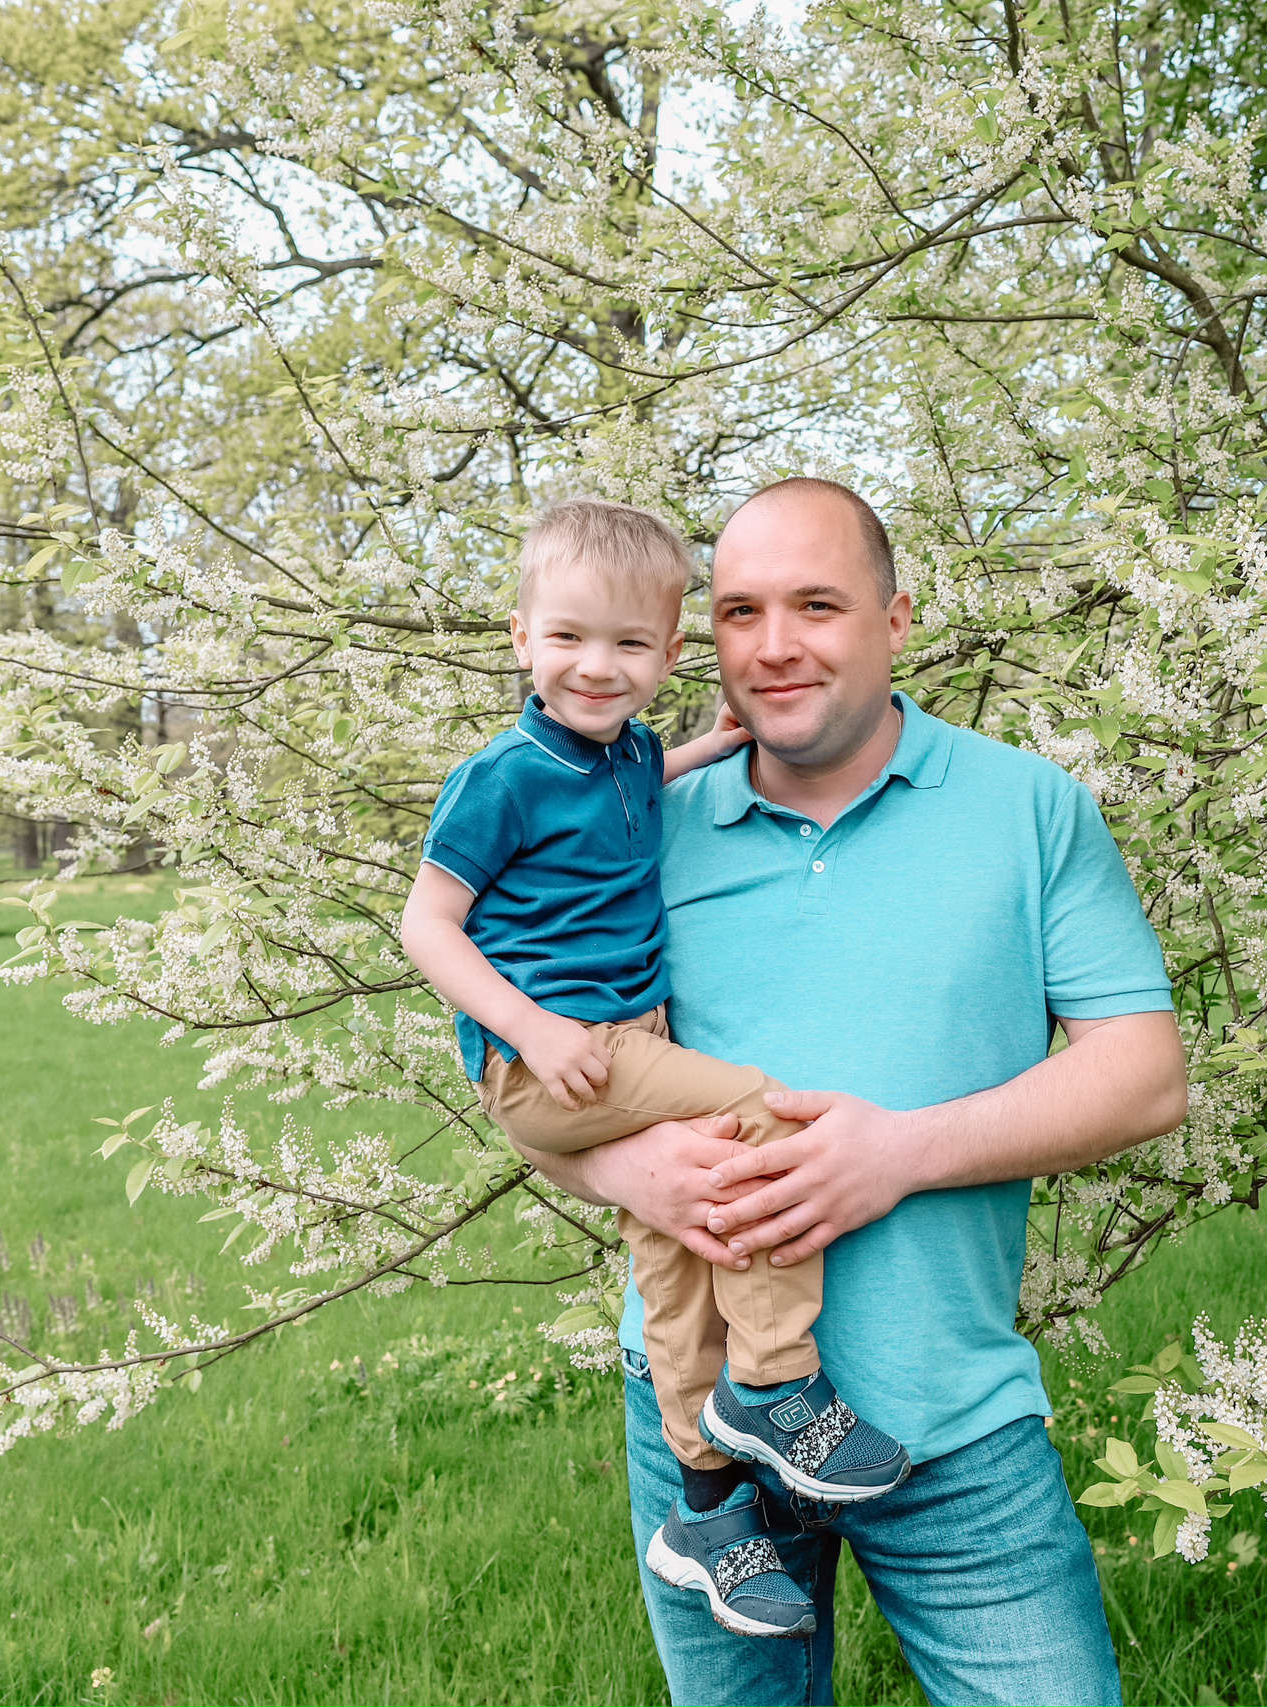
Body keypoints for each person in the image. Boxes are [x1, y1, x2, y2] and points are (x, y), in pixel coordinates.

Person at [518, 478, 1190, 1707]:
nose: (774, 645)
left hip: (951, 1417)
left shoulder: (1026, 808)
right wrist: (619, 1168)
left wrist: (898, 1153)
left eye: (817, 605)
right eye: (740, 611)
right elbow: (531, 1076)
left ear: (896, 618)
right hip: (700, 1431)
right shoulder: (635, 829)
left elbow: (1144, 1075)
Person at [400, 497, 914, 1645]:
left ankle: (705, 1509)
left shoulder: (626, 754)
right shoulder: (502, 775)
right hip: (559, 1059)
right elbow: (426, 924)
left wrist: (706, 751)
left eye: (628, 644)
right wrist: (530, 1031)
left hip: (626, 1043)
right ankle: (774, 1384)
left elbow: (623, 800)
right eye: (568, 638)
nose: (597, 667)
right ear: (520, 637)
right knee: (761, 1109)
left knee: (682, 1258)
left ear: (668, 653)